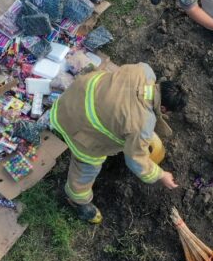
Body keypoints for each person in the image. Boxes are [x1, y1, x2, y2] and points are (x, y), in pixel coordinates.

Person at [47, 63, 185, 224]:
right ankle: (77, 201)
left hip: (72, 98)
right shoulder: (142, 126)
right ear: (163, 107)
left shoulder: (144, 71)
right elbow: (135, 161)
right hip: (76, 126)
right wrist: (161, 175)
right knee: (86, 168)